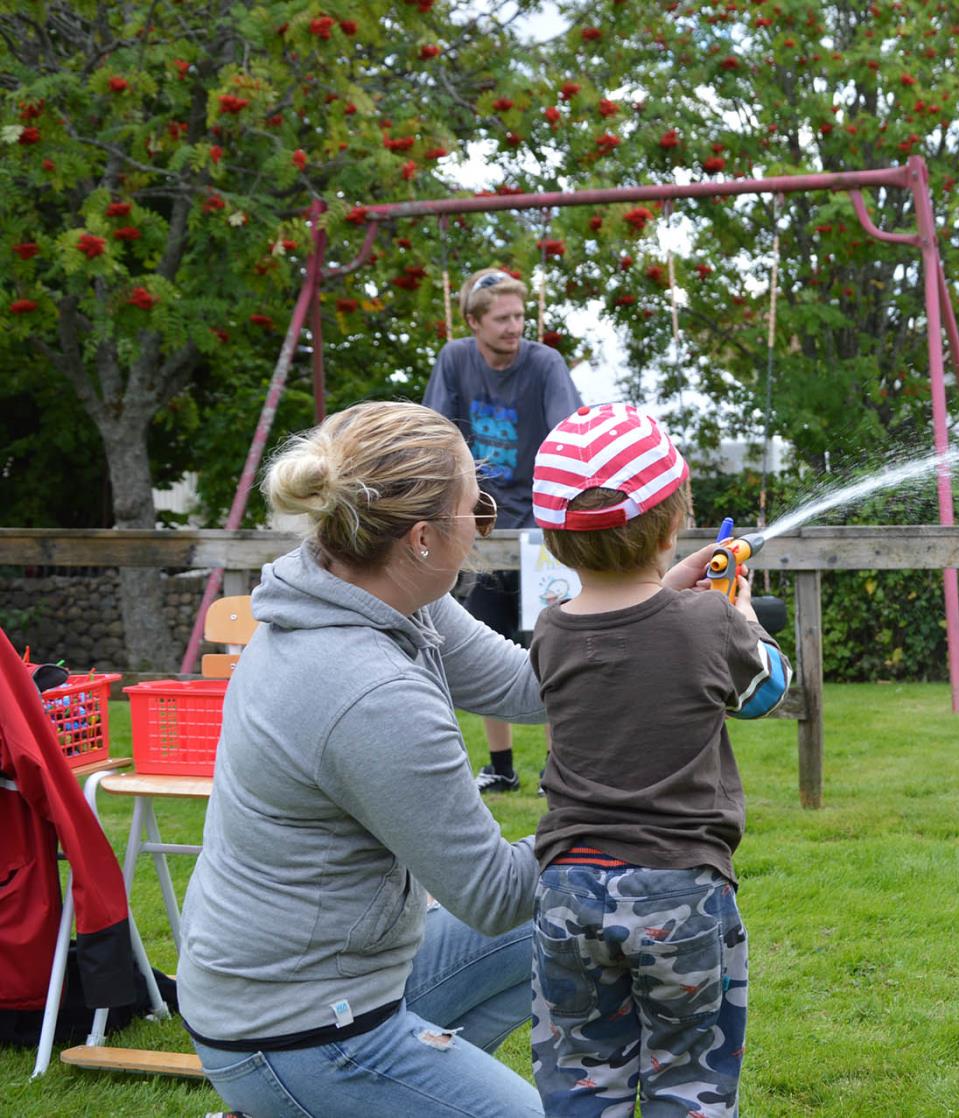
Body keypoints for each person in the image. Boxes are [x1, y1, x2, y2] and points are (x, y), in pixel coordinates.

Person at [176, 401, 548, 1117]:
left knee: (566, 920)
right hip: (291, 1028)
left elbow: (525, 686)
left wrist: (649, 628)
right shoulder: (368, 691)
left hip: (333, 982)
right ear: (420, 538)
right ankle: (309, 1097)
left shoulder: (378, 590)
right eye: (480, 511)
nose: (482, 528)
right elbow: (495, 894)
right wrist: (618, 813)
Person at [526, 403, 791, 1117]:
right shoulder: (708, 623)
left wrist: (681, 581)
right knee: (687, 1081)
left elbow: (627, 619)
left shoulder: (550, 632)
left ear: (553, 539)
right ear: (674, 518)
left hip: (568, 891)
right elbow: (766, 690)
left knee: (582, 1080)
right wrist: (734, 608)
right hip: (681, 891)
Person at [423, 267, 583, 793]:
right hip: (482, 521)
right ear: (474, 321)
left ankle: (555, 770)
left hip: (540, 527)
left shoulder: (545, 364)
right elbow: (437, 434)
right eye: (502, 318)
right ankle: (501, 766)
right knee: (488, 642)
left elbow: (568, 433)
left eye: (520, 316)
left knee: (551, 642)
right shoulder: (455, 360)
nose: (515, 327)